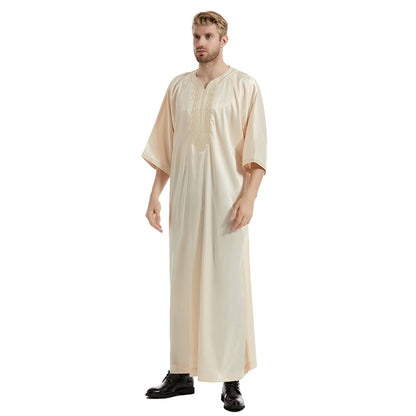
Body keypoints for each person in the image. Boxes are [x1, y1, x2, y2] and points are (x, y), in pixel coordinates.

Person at [141, 11, 267, 412]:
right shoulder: (178, 88)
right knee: (183, 285)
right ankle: (180, 373)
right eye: (196, 36)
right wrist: (155, 195)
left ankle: (230, 380)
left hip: (227, 205)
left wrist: (249, 198)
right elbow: (166, 147)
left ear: (223, 40)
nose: (200, 43)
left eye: (208, 36)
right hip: (186, 202)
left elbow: (256, 153)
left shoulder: (245, 87)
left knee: (226, 287)